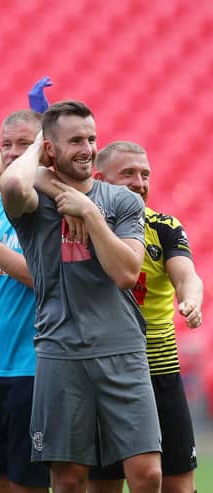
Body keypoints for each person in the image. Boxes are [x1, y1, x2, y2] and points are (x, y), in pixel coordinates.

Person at [0, 100, 162, 493]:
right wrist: (41, 157)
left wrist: (88, 211)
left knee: (148, 473)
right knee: (68, 480)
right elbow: (12, 184)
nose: (87, 148)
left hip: (122, 349)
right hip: (61, 351)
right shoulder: (34, 203)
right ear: (50, 148)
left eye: (91, 138)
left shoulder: (123, 201)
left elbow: (126, 273)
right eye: (74, 141)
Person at [87, 141, 203, 493]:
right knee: (104, 485)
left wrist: (191, 299)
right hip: (103, 372)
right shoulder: (79, 229)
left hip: (160, 371)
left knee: (176, 485)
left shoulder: (164, 226)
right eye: (128, 174)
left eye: (145, 174)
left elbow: (186, 274)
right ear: (100, 180)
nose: (139, 182)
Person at [0, 109, 50, 493]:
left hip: (31, 371)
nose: (12, 152)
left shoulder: (47, 210)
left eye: (24, 144)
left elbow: (42, 277)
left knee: (28, 483)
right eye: (6, 145)